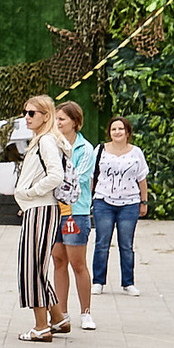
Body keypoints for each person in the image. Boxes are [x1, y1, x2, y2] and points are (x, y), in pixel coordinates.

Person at [13, 96, 69, 342]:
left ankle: (41, 327)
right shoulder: (43, 139)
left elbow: (56, 175)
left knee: (31, 269)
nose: (27, 117)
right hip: (37, 209)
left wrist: (31, 193)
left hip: (41, 209)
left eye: (32, 113)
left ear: (46, 116)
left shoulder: (46, 140)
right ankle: (58, 319)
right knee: (35, 267)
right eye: (25, 112)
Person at [90, 117, 150, 296]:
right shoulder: (100, 150)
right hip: (103, 201)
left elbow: (142, 178)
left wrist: (144, 201)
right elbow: (92, 176)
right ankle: (98, 281)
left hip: (129, 203)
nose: (117, 132)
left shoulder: (136, 152)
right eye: (113, 129)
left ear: (127, 132)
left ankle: (128, 282)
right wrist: (89, 199)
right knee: (102, 243)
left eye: (121, 129)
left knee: (126, 244)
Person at [51, 99, 97, 329]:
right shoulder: (51, 144)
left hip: (75, 212)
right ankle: (62, 313)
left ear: (75, 122)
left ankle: (86, 312)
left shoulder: (85, 149)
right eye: (56, 119)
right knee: (58, 261)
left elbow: (76, 177)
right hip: (53, 211)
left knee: (78, 263)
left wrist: (53, 179)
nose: (57, 123)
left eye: (62, 119)